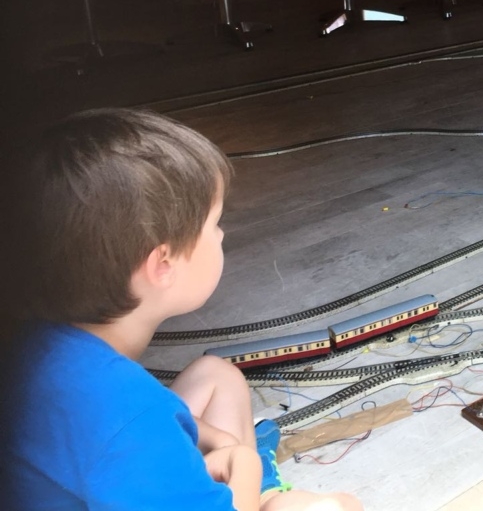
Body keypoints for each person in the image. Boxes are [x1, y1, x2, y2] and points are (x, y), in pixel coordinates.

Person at [0, 108, 363, 511]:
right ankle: (265, 493)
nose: (221, 234)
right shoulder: (134, 419)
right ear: (163, 264)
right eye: (214, 223)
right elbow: (132, 428)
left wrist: (209, 438)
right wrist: (244, 466)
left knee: (216, 375)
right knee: (340, 506)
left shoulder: (37, 346)